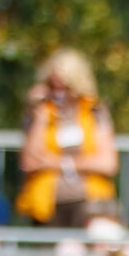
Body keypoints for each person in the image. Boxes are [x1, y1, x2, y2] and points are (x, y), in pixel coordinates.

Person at [16, 49, 118, 228]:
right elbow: (29, 162)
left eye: (64, 87)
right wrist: (39, 115)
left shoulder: (94, 111)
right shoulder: (39, 113)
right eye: (53, 87)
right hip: (46, 205)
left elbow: (107, 163)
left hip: (90, 204)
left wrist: (55, 162)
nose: (58, 94)